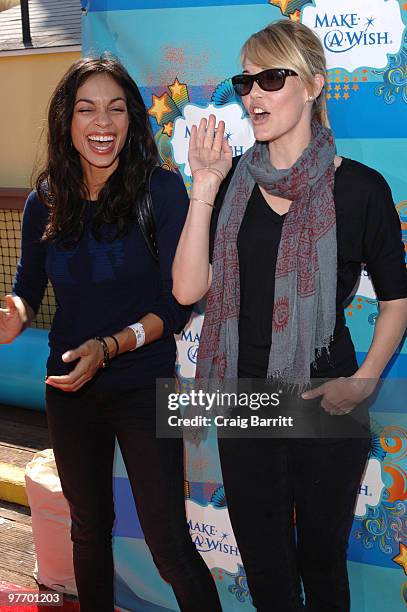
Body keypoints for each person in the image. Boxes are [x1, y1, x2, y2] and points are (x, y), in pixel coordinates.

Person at [172, 20, 407, 612]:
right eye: (246, 80)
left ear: (314, 86)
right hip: (244, 400)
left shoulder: (360, 189)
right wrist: (203, 187)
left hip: (326, 395)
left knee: (322, 566)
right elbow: (186, 291)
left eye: (272, 78)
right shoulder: (229, 188)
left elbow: (397, 301)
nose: (254, 94)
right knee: (268, 570)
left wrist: (366, 378)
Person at [0, 57, 222, 612]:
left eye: (115, 108)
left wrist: (111, 346)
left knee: (168, 544)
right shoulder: (44, 200)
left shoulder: (162, 192)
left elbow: (176, 305)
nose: (102, 122)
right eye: (86, 108)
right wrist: (17, 309)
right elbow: (29, 284)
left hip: (142, 389)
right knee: (87, 531)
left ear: (131, 120)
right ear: (66, 121)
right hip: (69, 390)